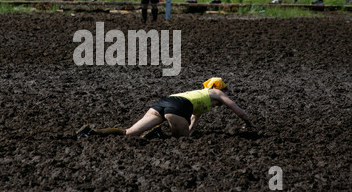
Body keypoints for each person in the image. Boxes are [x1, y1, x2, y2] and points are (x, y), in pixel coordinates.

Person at [77, 77, 255, 139]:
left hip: (165, 102)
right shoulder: (217, 94)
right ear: (219, 88)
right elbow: (238, 110)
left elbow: (194, 118)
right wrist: (249, 123)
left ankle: (92, 132)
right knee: (181, 140)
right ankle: (158, 135)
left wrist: (189, 131)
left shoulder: (199, 95)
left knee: (129, 133)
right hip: (179, 107)